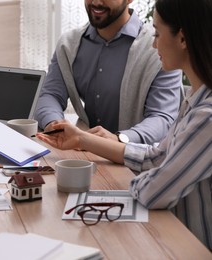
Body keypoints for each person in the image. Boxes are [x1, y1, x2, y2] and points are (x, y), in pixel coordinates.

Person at [37, 0, 212, 251]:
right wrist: (84, 139)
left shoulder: (206, 116)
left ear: (182, 39)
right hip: (171, 231)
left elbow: (155, 189)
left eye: (158, 34)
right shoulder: (194, 102)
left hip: (191, 245)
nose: (154, 43)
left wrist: (115, 183)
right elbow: (157, 156)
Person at [34, 0, 183, 145]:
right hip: (84, 154)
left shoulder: (161, 48)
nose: (97, 2)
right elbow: (50, 94)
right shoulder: (68, 44)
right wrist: (54, 124)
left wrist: (121, 138)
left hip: (136, 161)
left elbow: (162, 117)